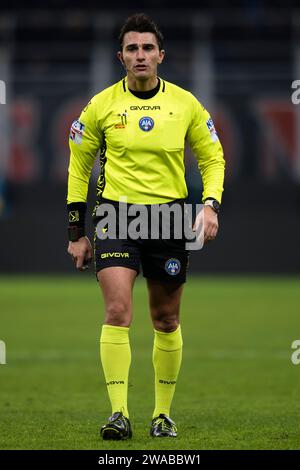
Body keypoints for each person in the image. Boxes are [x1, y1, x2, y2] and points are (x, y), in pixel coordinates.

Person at [66, 13, 225, 440]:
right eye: (132, 48)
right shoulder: (101, 105)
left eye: (148, 48)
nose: (140, 55)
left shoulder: (186, 104)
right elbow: (79, 167)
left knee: (166, 320)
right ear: (121, 57)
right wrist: (76, 232)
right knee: (117, 312)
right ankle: (118, 413)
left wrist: (209, 205)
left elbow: (213, 158)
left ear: (161, 55)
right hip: (116, 216)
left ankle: (162, 415)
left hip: (169, 218)